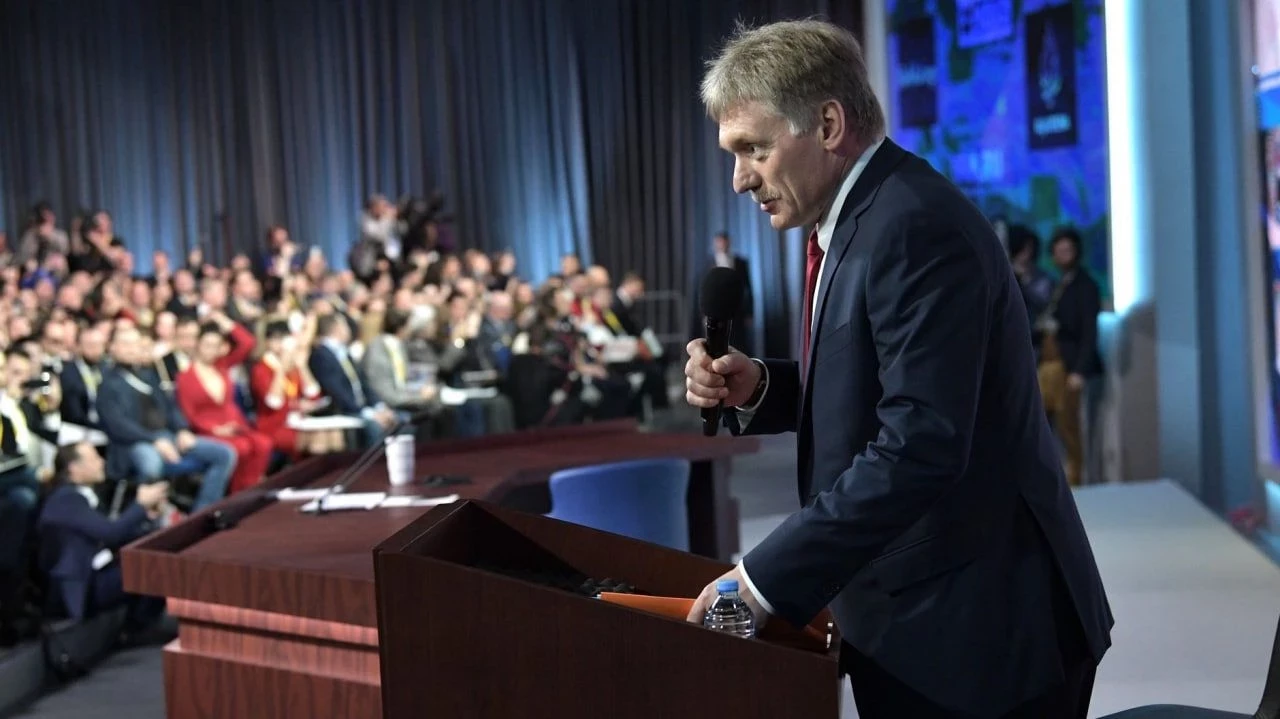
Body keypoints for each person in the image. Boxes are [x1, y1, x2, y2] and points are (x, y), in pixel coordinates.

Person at [682, 20, 1112, 719]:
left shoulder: (912, 226)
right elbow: (880, 384)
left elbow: (921, 441)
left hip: (982, 637)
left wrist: (760, 581)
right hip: (926, 621)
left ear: (827, 125)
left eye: (754, 148)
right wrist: (761, 386)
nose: (739, 179)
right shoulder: (863, 216)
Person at [38, 442, 168, 626]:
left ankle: (136, 624)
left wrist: (145, 516)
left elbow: (111, 531)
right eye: (94, 458)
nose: (102, 462)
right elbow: (110, 533)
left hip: (100, 570)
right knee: (157, 567)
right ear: (74, 468)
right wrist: (140, 505)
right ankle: (138, 628)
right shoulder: (65, 500)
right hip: (85, 585)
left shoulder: (82, 495)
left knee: (156, 553)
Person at [1034, 227, 1103, 487]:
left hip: (1069, 365)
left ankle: (1075, 482)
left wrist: (1079, 371)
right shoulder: (1059, 284)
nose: (1063, 255)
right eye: (1058, 251)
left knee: (1068, 427)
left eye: (1067, 250)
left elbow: (1089, 332)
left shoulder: (1086, 286)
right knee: (1041, 424)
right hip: (1048, 364)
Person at [174, 314, 274, 494]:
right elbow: (188, 413)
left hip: (234, 426)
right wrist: (215, 430)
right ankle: (239, 493)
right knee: (242, 448)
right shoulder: (185, 377)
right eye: (207, 345)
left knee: (263, 444)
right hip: (208, 430)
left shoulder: (222, 366)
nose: (211, 350)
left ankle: (251, 489)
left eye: (216, 346)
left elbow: (247, 342)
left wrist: (224, 322)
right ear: (197, 345)